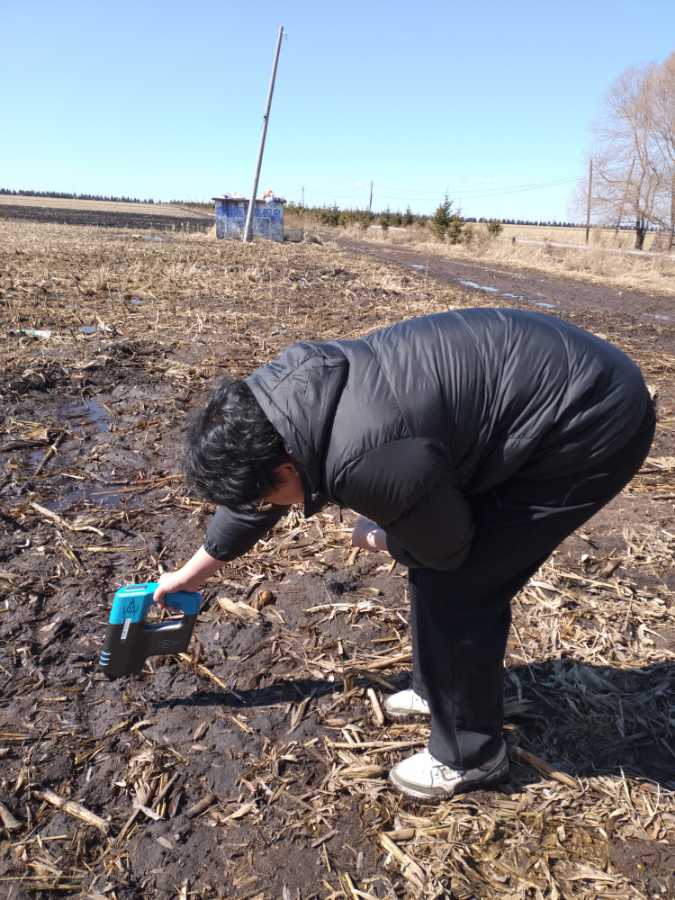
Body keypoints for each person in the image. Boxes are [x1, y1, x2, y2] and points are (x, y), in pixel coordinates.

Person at [155, 308, 655, 800]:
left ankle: (471, 756)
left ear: (285, 471)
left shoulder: (367, 457)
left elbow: (448, 549)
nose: (270, 505)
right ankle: (437, 689)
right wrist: (191, 574)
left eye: (269, 495)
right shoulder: (277, 406)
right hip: (542, 386)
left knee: (462, 585)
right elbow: (259, 496)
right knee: (435, 560)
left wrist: (383, 536)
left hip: (592, 421)